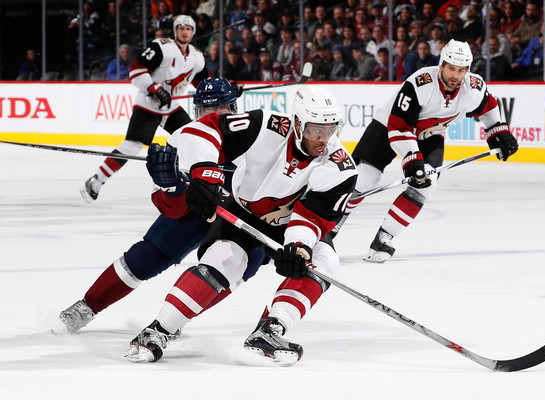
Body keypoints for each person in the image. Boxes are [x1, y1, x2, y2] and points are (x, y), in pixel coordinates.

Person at [125, 86, 357, 365]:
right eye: (314, 130)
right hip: (243, 210)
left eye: (330, 130)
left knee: (324, 260)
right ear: (297, 123)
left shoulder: (340, 167)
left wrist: (298, 247)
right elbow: (202, 130)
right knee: (226, 259)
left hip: (290, 223)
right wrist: (205, 172)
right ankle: (158, 329)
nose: (322, 139)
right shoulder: (266, 126)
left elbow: (312, 218)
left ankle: (271, 329)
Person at [60, 78, 269, 334]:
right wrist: (171, 186)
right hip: (194, 211)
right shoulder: (183, 139)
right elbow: (172, 210)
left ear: (234, 111)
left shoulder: (258, 139)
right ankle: (87, 307)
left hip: (236, 215)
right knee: (144, 258)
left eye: (221, 111)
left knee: (247, 263)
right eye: (205, 111)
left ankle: (176, 318)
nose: (213, 118)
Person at [331, 39, 518, 262]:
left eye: (460, 70)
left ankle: (383, 238)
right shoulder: (420, 83)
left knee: (426, 184)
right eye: (450, 68)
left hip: (431, 135)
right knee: (364, 179)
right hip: (387, 125)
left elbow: (489, 108)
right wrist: (412, 160)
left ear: (467, 70)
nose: (454, 75)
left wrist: (498, 132)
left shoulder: (473, 88)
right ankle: (329, 229)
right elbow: (399, 126)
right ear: (441, 64)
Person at [80, 15, 208, 203]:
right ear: (175, 31)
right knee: (131, 146)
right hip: (148, 105)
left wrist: (228, 86)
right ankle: (96, 181)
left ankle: (196, 187)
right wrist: (154, 88)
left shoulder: (197, 56)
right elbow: (136, 69)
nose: (184, 31)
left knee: (193, 139)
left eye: (188, 29)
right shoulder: (162, 46)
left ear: (193, 32)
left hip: (171, 108)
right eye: (181, 28)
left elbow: (203, 83)